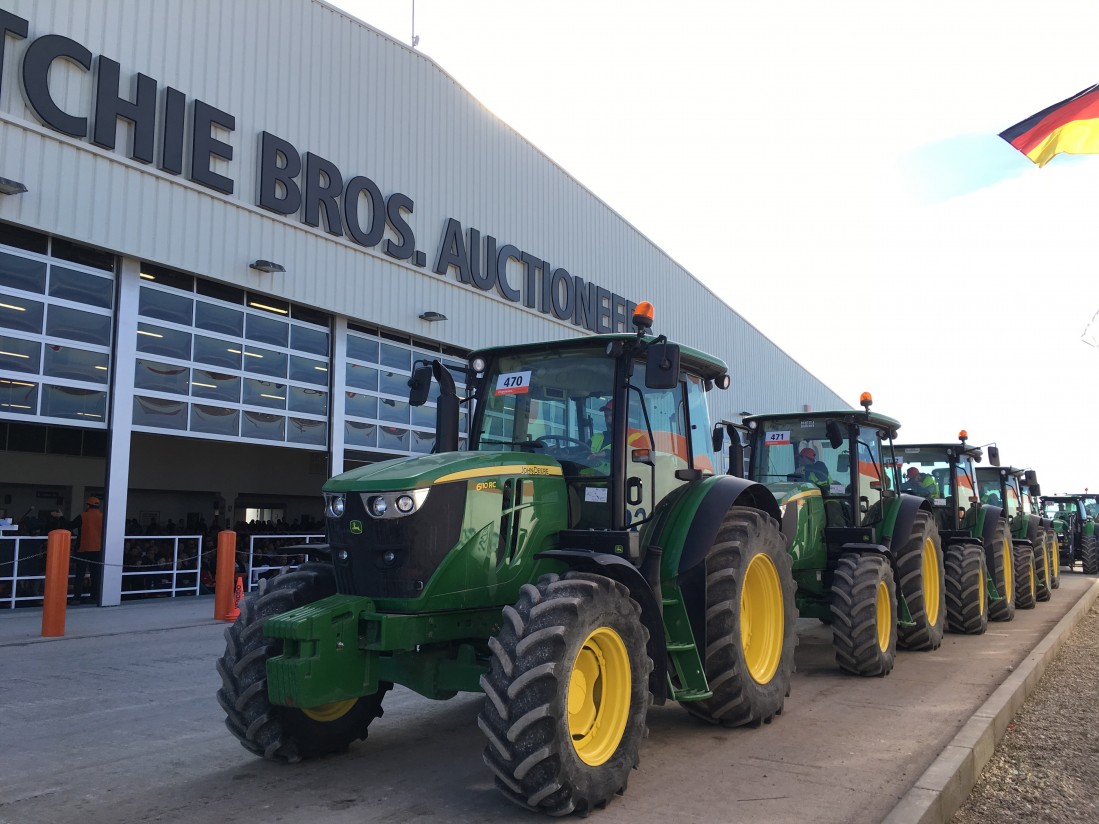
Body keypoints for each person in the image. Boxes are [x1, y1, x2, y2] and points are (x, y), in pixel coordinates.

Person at [70, 496, 104, 604]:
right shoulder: (103, 516)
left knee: (80, 575)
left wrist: (60, 517)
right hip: (98, 549)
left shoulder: (83, 516)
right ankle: (94, 597)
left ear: (88, 505)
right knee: (96, 574)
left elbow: (69, 525)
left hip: (83, 549)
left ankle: (76, 598)